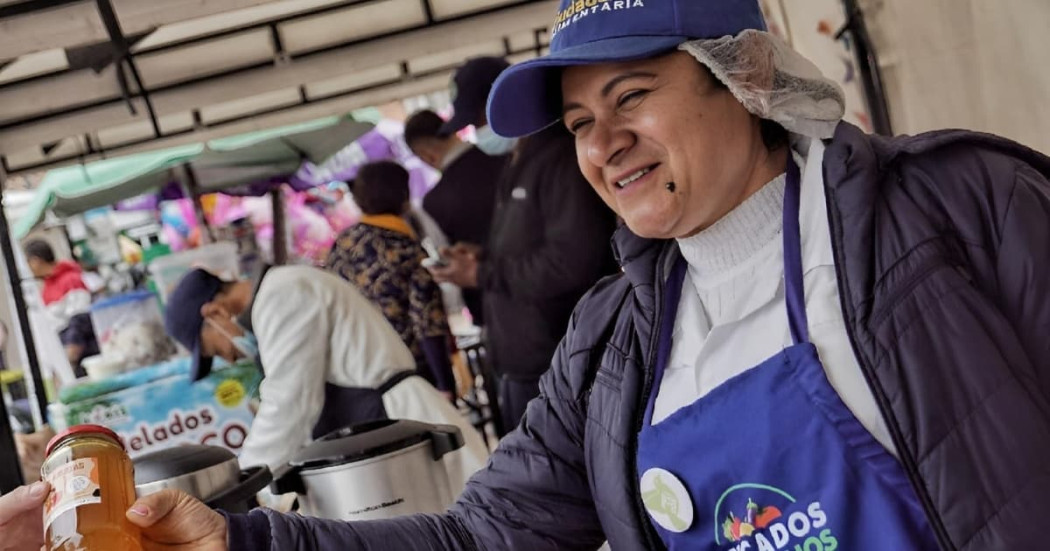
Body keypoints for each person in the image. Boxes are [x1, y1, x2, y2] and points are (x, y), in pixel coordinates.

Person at [15, 0, 1050, 548]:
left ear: (745, 80)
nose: (607, 146)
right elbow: (480, 539)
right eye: (582, 123)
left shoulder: (953, 209)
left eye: (636, 96)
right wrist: (239, 546)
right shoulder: (617, 344)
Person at [162, 266, 488, 491]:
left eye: (212, 349)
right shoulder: (277, 296)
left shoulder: (282, 294)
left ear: (213, 314)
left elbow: (290, 402)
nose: (227, 357)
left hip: (398, 424)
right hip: (381, 433)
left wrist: (247, 481)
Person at [429, 56, 618, 432]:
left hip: (560, 360)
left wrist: (482, 272)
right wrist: (482, 256)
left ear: (511, 105)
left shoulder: (560, 158)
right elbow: (531, 246)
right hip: (523, 362)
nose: (478, 133)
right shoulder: (519, 160)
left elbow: (572, 261)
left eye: (481, 121)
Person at [326, 160, 457, 396]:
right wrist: (446, 384)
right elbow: (427, 322)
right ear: (404, 196)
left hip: (360, 375)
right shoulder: (405, 249)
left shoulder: (342, 245)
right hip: (410, 377)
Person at [404, 108, 507, 323]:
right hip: (552, 288)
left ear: (426, 155)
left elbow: (447, 258)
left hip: (492, 305)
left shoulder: (434, 202)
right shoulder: (508, 159)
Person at [24, 239, 99, 373]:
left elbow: (81, 317)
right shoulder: (46, 287)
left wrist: (72, 348)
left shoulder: (71, 279)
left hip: (84, 355)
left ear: (36, 261)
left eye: (27, 262)